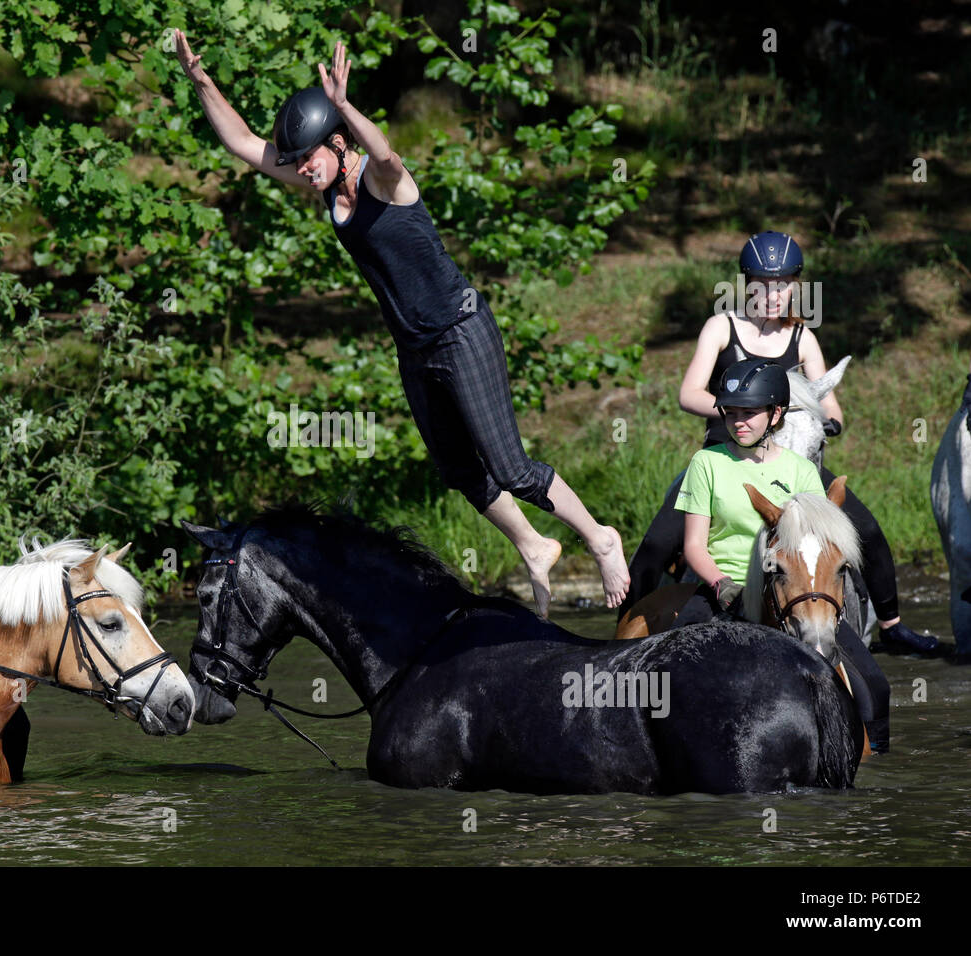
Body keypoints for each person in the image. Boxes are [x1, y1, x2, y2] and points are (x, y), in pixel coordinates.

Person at [173, 34, 629, 617]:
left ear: (338, 143)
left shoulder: (385, 183)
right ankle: (535, 546)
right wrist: (201, 81)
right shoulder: (323, 186)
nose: (302, 170)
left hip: (460, 332)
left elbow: (385, 154)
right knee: (459, 470)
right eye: (298, 163)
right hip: (415, 349)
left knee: (510, 467)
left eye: (310, 157)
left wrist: (345, 105)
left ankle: (599, 537)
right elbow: (243, 143)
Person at [623, 231, 937, 654]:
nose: (774, 293)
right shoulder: (722, 327)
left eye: (784, 283)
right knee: (660, 541)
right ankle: (626, 620)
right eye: (763, 284)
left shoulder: (802, 337)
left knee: (869, 531)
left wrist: (829, 424)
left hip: (793, 459)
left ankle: (892, 624)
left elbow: (831, 405)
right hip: (725, 454)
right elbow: (688, 394)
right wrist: (743, 411)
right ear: (747, 284)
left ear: (796, 285)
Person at [673, 359, 890, 751]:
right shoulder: (706, 463)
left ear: (775, 414)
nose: (739, 422)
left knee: (875, 684)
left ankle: (875, 758)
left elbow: (819, 544)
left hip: (795, 594)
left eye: (750, 414)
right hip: (726, 588)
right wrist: (721, 583)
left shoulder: (801, 470)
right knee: (673, 666)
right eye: (732, 413)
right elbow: (693, 545)